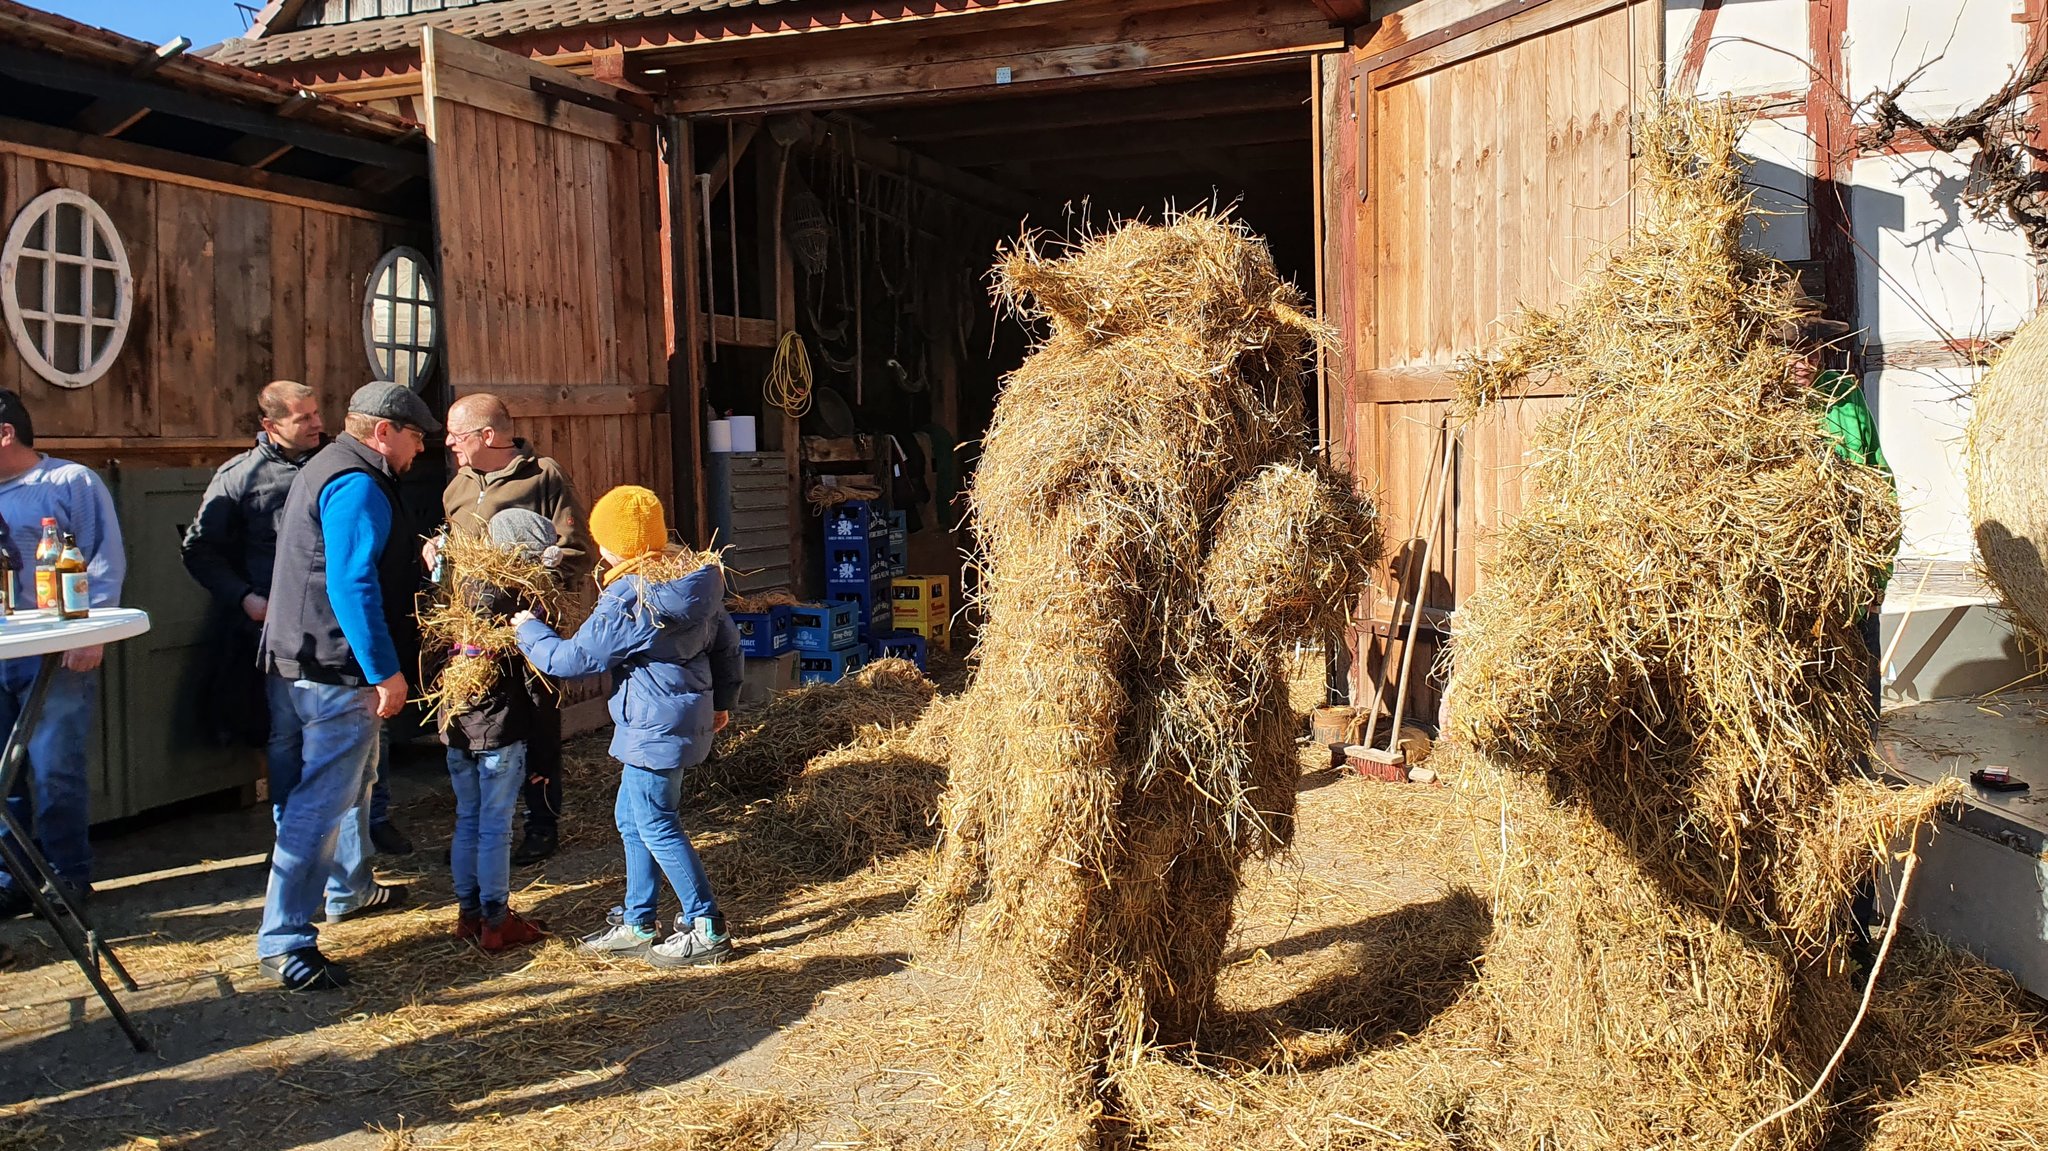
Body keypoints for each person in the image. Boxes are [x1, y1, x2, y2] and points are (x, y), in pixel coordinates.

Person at [181, 382, 416, 858]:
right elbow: (199, 549)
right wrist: (244, 597)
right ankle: (295, 836)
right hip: (282, 630)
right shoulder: (239, 478)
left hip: (338, 630)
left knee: (367, 742)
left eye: (316, 413)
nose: (317, 424)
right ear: (270, 427)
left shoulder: (334, 465)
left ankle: (367, 830)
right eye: (302, 418)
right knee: (291, 742)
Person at [511, 486, 741, 968]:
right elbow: (727, 646)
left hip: (653, 723)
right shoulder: (694, 578)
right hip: (680, 715)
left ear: (613, 545)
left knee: (656, 822)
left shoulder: (632, 596)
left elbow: (572, 659)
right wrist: (723, 701)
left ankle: (706, 926)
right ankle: (638, 922)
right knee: (632, 817)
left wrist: (527, 628)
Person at [255, 382, 437, 990]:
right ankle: (286, 940)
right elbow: (350, 583)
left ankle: (351, 889)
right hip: (335, 669)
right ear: (382, 432)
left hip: (298, 657)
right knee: (322, 802)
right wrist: (383, 670)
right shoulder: (359, 483)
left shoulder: (327, 466)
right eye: (415, 437)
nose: (419, 450)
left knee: (354, 783)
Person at [428, 394, 591, 868]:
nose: (449, 445)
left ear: (488, 436)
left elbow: (574, 549)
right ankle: (476, 831)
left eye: (457, 436)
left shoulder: (543, 476)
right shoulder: (457, 486)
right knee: (471, 727)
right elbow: (455, 548)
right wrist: (438, 551)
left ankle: (541, 823)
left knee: (536, 718)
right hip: (468, 631)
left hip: (525, 628)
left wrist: (535, 585)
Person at [0, 390, 125, 921]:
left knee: (55, 769)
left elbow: (103, 556)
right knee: (2, 776)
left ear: (5, 433)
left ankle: (67, 875)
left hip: (54, 651)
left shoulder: (68, 482)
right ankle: (13, 880)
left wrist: (89, 631)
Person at [434, 508, 559, 952]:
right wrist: (546, 753)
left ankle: (467, 913)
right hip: (500, 730)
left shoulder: (461, 589)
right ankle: (495, 918)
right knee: (496, 827)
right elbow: (539, 684)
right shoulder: (522, 603)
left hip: (457, 723)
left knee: (467, 819)